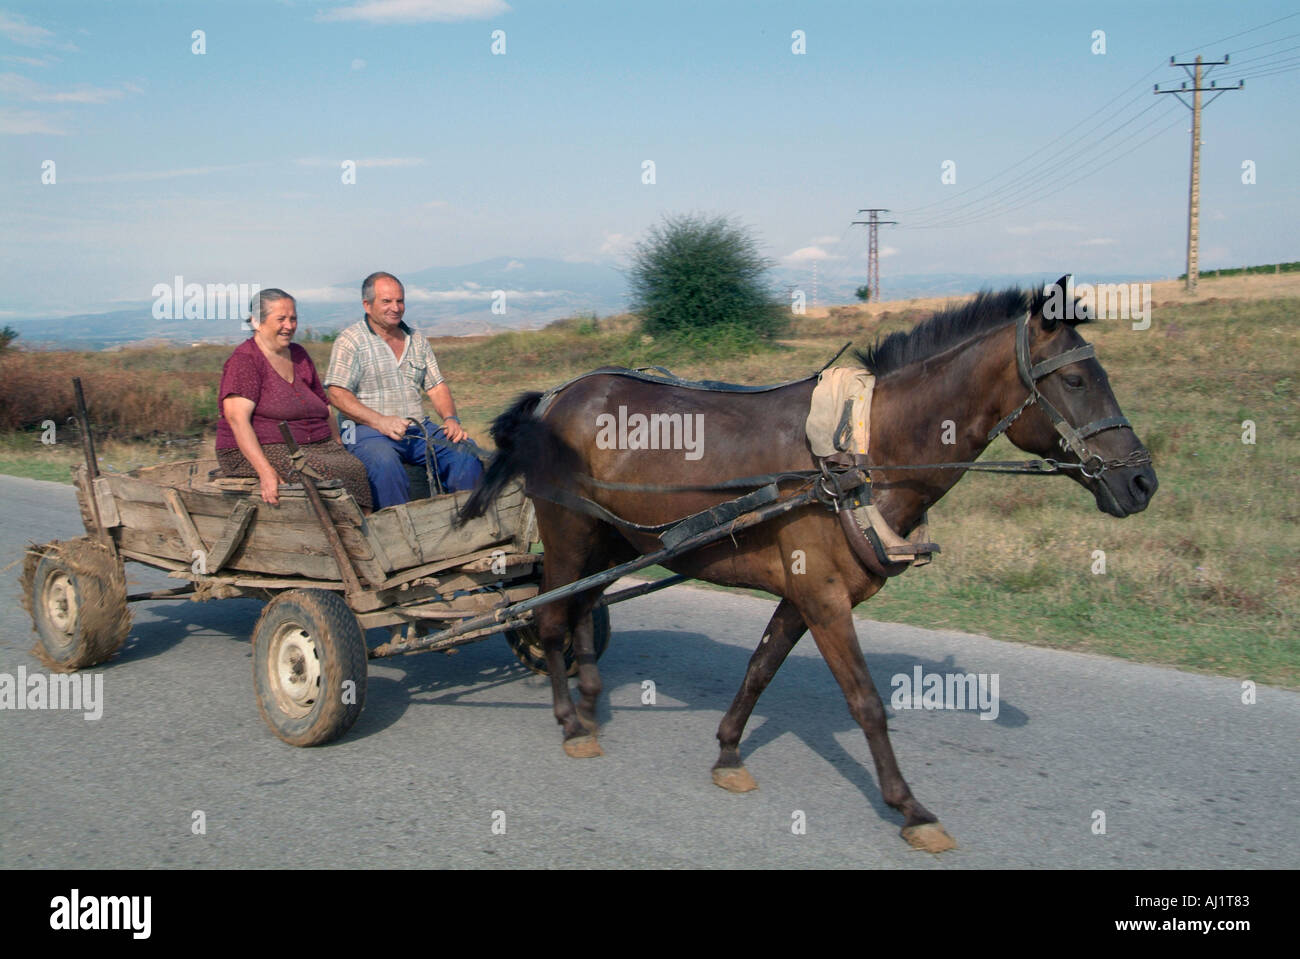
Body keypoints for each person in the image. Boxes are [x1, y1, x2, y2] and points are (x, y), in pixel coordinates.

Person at [324, 271, 483, 509]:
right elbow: (336, 393)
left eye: (400, 301)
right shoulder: (351, 341)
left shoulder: (416, 339)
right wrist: (380, 422)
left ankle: (470, 525)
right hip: (364, 431)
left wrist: (451, 419)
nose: (395, 308)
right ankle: (398, 536)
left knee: (464, 452)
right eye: (386, 301)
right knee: (384, 463)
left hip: (415, 428)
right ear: (367, 305)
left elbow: (437, 386)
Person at [216, 289, 373, 510]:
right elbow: (237, 420)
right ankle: (347, 530)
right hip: (265, 448)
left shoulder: (298, 355)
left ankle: (363, 528)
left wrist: (337, 443)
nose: (289, 326)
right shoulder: (245, 360)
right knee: (324, 472)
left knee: (355, 467)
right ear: (257, 322)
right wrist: (265, 471)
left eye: (293, 319)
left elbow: (324, 406)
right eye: (281, 319)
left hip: (314, 445)